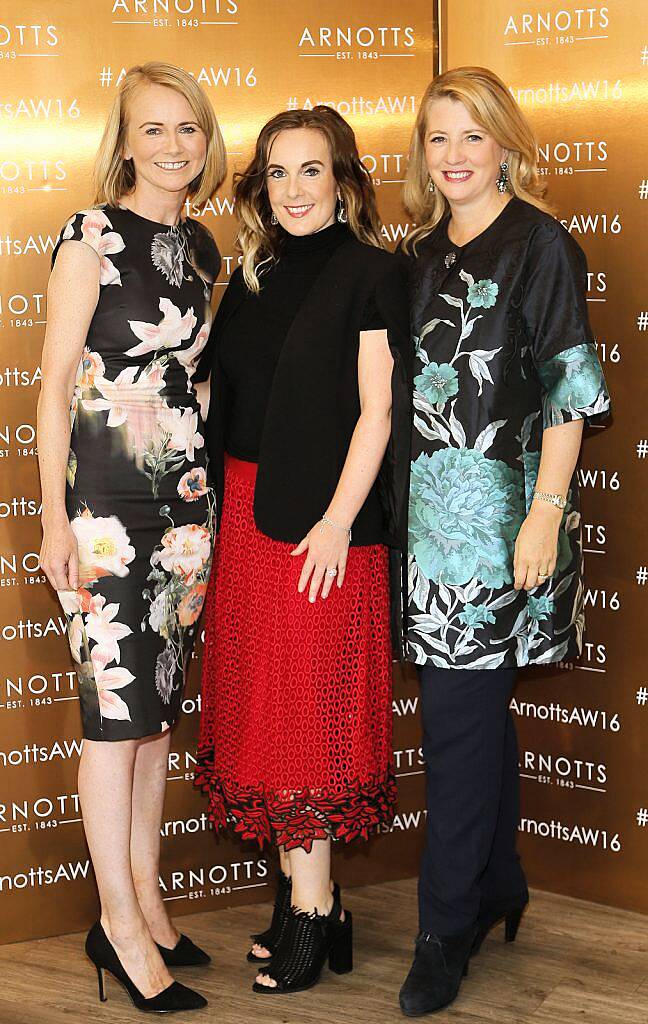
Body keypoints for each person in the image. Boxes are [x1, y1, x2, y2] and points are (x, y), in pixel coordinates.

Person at [397, 66, 610, 1017]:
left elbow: (571, 390)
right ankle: (499, 884)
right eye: (438, 138)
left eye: (471, 137)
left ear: (506, 144)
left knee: (455, 730)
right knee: (475, 722)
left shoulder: (541, 246)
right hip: (425, 532)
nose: (454, 157)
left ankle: (442, 930)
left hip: (502, 531)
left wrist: (545, 512)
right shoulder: (417, 254)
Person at [194, 105, 411, 995]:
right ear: (260, 185)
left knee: (305, 721)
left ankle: (315, 915)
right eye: (277, 172)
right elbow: (222, 400)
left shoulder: (371, 274)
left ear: (343, 179)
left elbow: (378, 412)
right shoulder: (249, 273)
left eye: (311, 170)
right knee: (267, 707)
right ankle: (304, 898)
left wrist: (335, 519)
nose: (293, 189)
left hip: (325, 528)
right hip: (247, 519)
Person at [37, 62, 225, 1013]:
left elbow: (192, 382)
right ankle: (114, 925)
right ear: (124, 142)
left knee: (154, 719)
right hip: (106, 507)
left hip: (186, 504)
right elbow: (54, 382)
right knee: (115, 725)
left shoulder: (204, 250)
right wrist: (51, 517)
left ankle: (148, 902)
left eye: (187, 129)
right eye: (153, 129)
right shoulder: (90, 235)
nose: (172, 146)